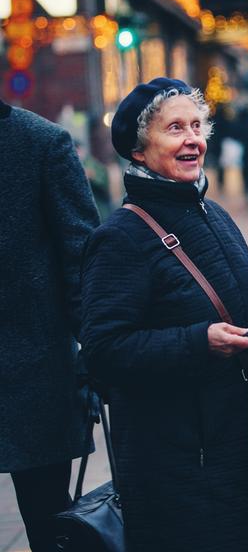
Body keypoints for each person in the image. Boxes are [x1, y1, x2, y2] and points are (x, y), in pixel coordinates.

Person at [79, 78, 248, 552]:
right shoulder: (122, 236)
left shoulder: (213, 213)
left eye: (197, 126)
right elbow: (103, 351)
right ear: (140, 151)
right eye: (175, 128)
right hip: (178, 462)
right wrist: (198, 341)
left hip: (240, 442)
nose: (193, 139)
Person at [0, 98, 99, 552]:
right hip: (33, 367)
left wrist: (97, 353)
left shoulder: (41, 142)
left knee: (48, 524)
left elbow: (82, 260)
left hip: (32, 370)